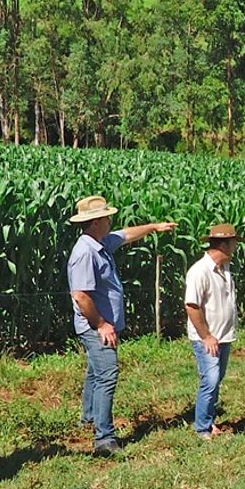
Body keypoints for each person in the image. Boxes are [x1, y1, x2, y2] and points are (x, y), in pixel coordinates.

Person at [66, 195, 177, 456]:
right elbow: (81, 295)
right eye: (106, 217)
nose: (110, 220)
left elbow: (126, 235)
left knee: (96, 372)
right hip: (96, 326)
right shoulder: (84, 253)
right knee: (108, 375)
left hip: (101, 324)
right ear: (94, 223)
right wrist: (103, 324)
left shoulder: (100, 242)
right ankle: (104, 438)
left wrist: (153, 227)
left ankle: (89, 419)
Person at [185, 224, 242, 440]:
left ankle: (209, 422)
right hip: (207, 338)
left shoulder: (225, 269)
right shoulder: (200, 271)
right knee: (210, 378)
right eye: (234, 242)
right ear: (224, 245)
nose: (236, 247)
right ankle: (202, 427)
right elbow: (192, 305)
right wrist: (206, 335)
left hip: (223, 335)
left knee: (216, 379)